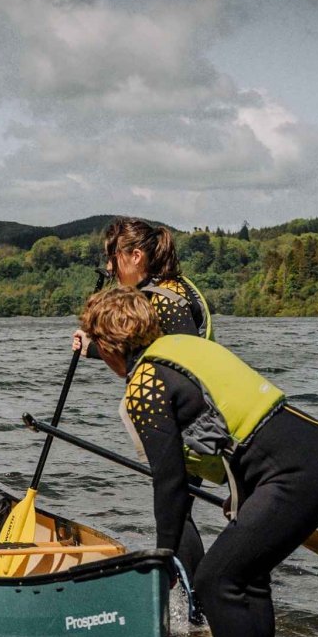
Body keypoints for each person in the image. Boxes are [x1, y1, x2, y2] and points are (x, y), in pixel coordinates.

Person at [77, 286, 318, 637]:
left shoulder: (144, 383)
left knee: (215, 581)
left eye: (99, 349)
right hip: (314, 450)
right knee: (246, 579)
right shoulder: (185, 346)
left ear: (108, 345)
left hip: (293, 472)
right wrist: (246, 490)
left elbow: (169, 481)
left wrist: (163, 556)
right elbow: (234, 423)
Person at [98, 217, 214, 596]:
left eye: (112, 258)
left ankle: (190, 599)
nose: (109, 268)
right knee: (178, 508)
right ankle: (189, 596)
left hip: (190, 421)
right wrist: (96, 346)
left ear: (135, 255)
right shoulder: (172, 290)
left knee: (175, 509)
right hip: (192, 415)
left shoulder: (162, 300)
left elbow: (174, 361)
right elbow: (140, 352)